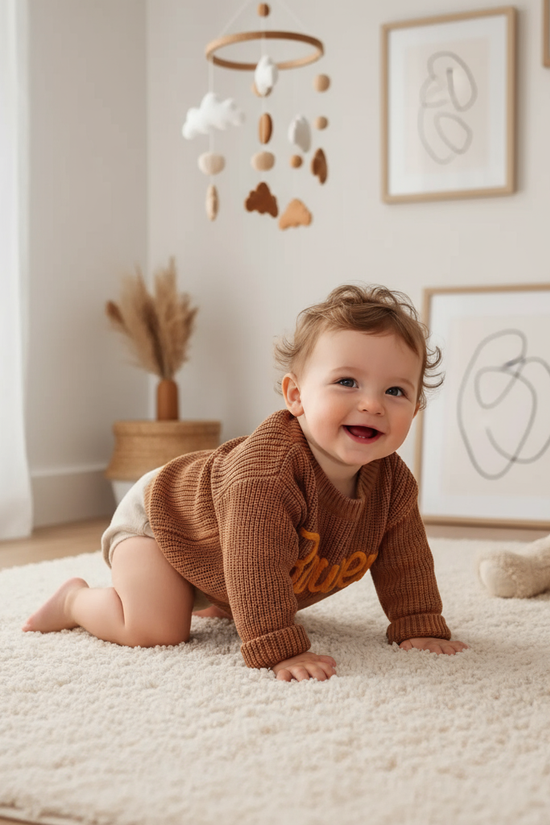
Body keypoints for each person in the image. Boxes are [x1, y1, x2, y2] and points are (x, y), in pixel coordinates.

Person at [23, 284, 468, 680]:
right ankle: (74, 602)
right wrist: (279, 648)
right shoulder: (266, 476)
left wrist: (420, 623)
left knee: (246, 587)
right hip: (162, 520)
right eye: (347, 382)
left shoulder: (392, 484)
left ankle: (216, 592)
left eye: (396, 391)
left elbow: (406, 561)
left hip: (220, 544)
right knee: (156, 630)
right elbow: (255, 562)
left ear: (415, 409)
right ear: (296, 396)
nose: (372, 404)